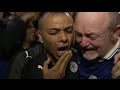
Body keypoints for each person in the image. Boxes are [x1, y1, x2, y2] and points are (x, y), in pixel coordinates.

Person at [8, 12, 79, 79]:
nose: (64, 38)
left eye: (68, 31)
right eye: (54, 32)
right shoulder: (23, 61)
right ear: (40, 37)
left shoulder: (79, 57)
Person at [74, 12, 120, 79]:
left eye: (92, 37)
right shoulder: (71, 49)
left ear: (115, 33)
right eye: (79, 34)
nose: (83, 44)